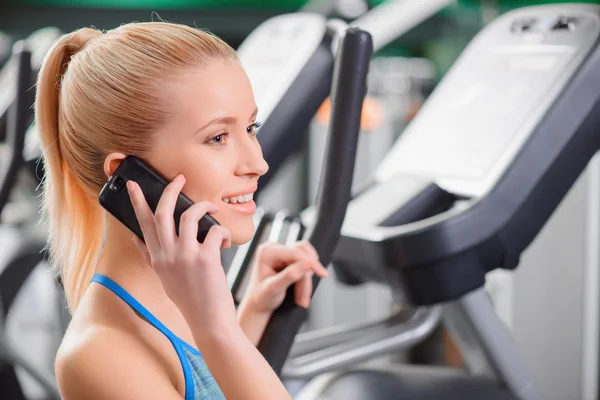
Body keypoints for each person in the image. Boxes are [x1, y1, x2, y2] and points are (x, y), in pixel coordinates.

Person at [35, 22, 328, 400]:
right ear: (129, 177)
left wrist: (249, 313)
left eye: (251, 127)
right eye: (218, 137)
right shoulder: (100, 356)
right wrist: (217, 327)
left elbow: (204, 383)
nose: (258, 163)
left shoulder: (181, 294)